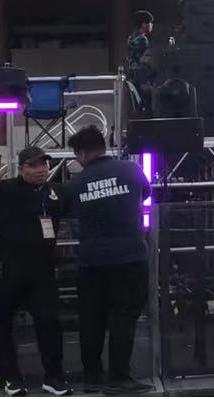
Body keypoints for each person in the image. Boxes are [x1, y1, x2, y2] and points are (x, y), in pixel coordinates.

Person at [0, 146, 71, 397]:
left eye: (44, 164)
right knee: (2, 323)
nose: (41, 170)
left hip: (42, 269)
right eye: (34, 165)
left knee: (49, 321)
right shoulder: (6, 188)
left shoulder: (55, 192)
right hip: (8, 268)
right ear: (21, 168)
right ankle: (11, 378)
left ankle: (54, 377)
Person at [64, 127, 152, 395]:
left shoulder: (75, 184)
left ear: (81, 154)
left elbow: (70, 213)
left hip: (91, 260)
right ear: (103, 147)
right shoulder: (132, 170)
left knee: (91, 320)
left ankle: (92, 378)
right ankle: (119, 378)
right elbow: (145, 194)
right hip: (130, 256)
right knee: (123, 319)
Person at [127, 11, 157, 115]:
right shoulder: (142, 39)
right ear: (144, 24)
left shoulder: (131, 37)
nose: (151, 25)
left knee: (136, 105)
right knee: (147, 106)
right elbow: (143, 59)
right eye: (150, 23)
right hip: (141, 75)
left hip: (133, 75)